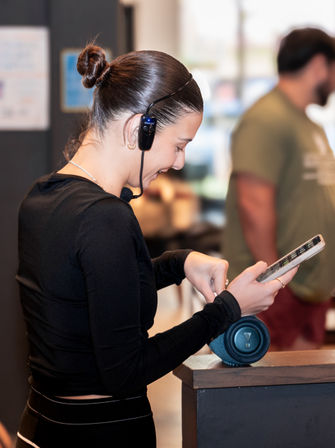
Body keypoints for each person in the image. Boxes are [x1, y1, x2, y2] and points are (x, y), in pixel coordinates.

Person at [15, 44, 297, 448]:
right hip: (101, 433)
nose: (180, 162)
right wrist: (229, 308)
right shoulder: (106, 217)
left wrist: (179, 263)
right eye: (179, 145)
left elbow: (91, 292)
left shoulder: (41, 198)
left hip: (42, 426)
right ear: (138, 129)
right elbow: (127, 371)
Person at [224, 27, 335, 351]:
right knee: (270, 396)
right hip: (277, 293)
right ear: (319, 66)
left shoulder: (307, 124)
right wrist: (274, 283)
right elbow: (253, 205)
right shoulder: (266, 119)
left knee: (300, 397)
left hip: (307, 291)